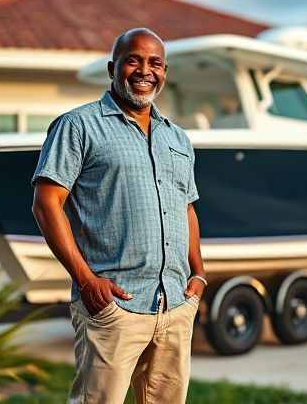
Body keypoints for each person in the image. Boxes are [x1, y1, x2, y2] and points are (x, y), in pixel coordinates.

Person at [30, 28, 206, 404]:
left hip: (174, 306)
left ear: (164, 72)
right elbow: (46, 204)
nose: (145, 70)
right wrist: (86, 280)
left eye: (154, 63)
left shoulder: (178, 139)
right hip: (113, 307)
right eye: (133, 60)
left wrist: (199, 275)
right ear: (113, 68)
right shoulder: (77, 126)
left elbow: (186, 207)